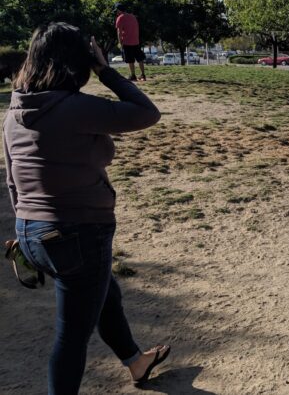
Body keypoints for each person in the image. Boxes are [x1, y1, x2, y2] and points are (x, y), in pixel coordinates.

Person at [5, 22, 168, 394]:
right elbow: (146, 112)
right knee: (71, 339)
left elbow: (13, 176)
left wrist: (25, 227)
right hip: (75, 233)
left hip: (31, 232)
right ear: (78, 61)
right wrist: (106, 70)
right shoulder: (73, 107)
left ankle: (136, 362)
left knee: (103, 291)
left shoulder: (16, 108)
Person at [114, 2, 147, 81]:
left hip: (127, 42)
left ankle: (133, 75)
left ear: (119, 10)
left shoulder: (120, 18)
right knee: (140, 59)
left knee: (130, 60)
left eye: (116, 11)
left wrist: (120, 42)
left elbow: (119, 32)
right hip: (136, 41)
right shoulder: (133, 16)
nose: (116, 12)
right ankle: (143, 75)